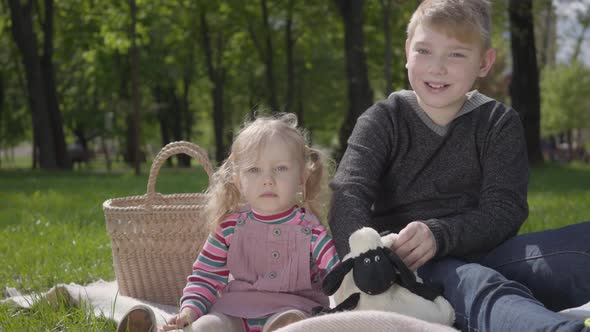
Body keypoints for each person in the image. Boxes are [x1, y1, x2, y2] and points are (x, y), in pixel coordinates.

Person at [328, 0, 590, 331]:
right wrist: (363, 256)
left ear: (484, 62)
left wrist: (440, 235)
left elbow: (504, 208)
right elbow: (349, 190)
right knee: (478, 285)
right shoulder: (383, 118)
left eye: (456, 54)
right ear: (407, 50)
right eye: (424, 50)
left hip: (488, 252)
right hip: (406, 268)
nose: (437, 67)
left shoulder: (498, 122)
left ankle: (507, 306)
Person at [159, 113, 340, 332]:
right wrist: (189, 311)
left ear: (302, 176)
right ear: (238, 181)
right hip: (236, 310)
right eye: (254, 170)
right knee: (208, 325)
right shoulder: (229, 227)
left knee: (297, 326)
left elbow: (337, 274)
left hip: (295, 310)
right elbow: (205, 277)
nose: (267, 179)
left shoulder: (310, 230)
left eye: (281, 168)